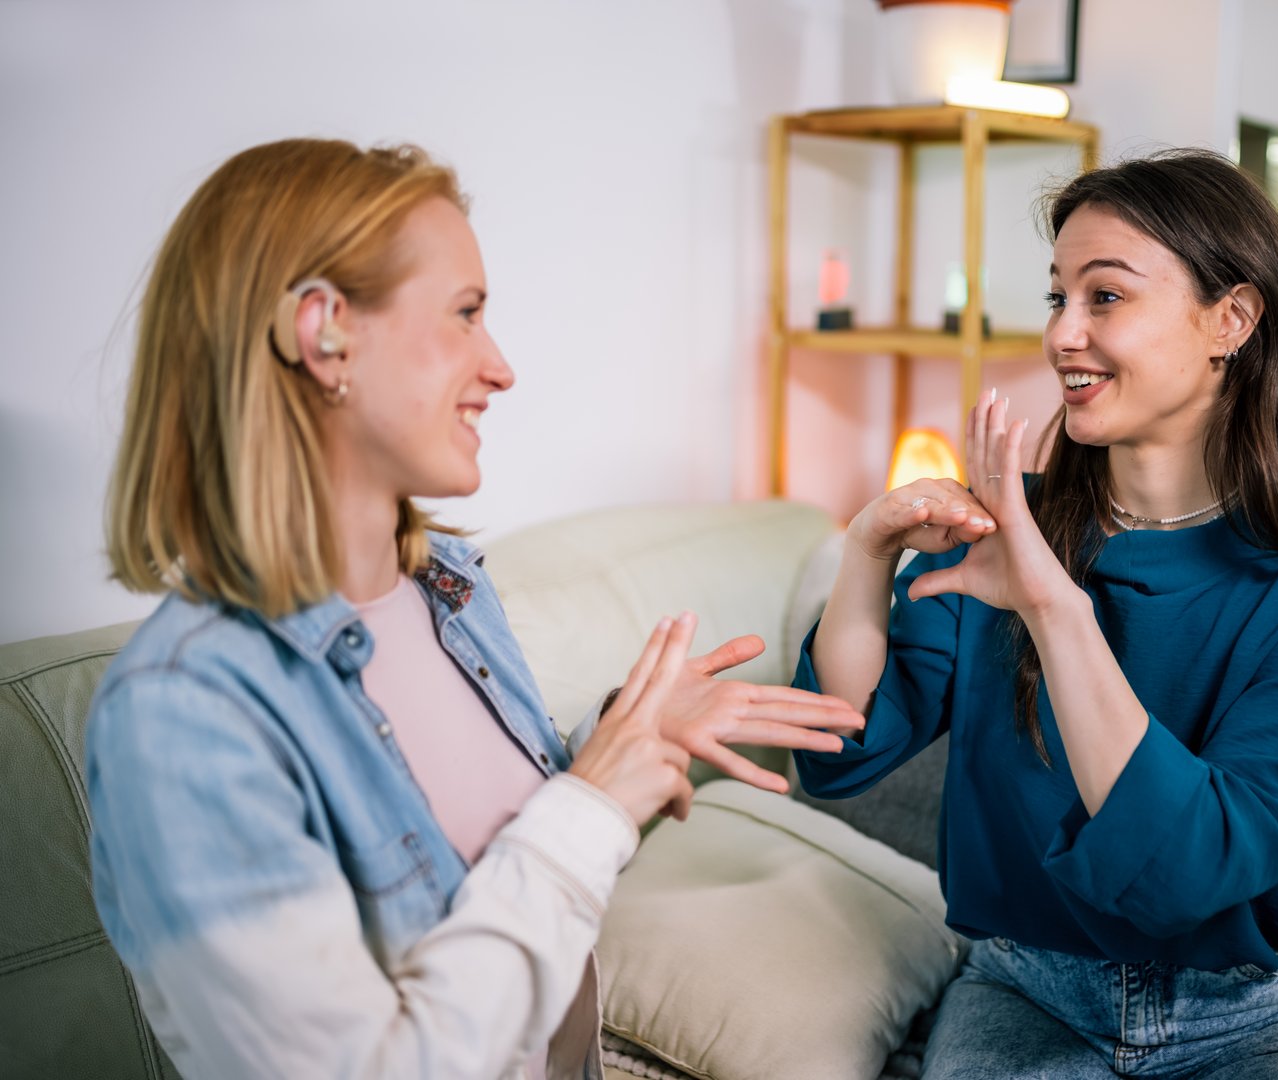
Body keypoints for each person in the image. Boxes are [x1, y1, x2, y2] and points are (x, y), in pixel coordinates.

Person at [86, 137, 863, 1080]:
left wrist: (628, 739)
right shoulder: (185, 713)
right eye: (464, 315)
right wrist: (593, 799)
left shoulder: (446, 590)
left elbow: (489, 864)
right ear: (323, 330)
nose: (500, 368)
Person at [793, 149, 1278, 1078]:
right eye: (1056, 298)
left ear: (1230, 320)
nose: (1062, 335)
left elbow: (1188, 870)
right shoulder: (1000, 529)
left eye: (1105, 297)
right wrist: (866, 552)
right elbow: (838, 751)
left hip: (1256, 1017)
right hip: (1025, 997)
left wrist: (1048, 602)